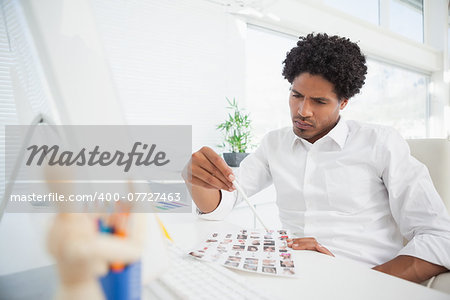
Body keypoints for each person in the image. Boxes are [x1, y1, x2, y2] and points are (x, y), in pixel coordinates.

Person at [182, 33, 450, 283]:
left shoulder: (380, 143)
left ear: (343, 102)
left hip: (361, 281)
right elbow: (225, 200)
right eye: (296, 95)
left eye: (319, 102)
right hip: (293, 276)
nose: (303, 111)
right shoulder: (275, 143)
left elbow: (440, 238)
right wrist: (196, 179)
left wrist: (362, 283)